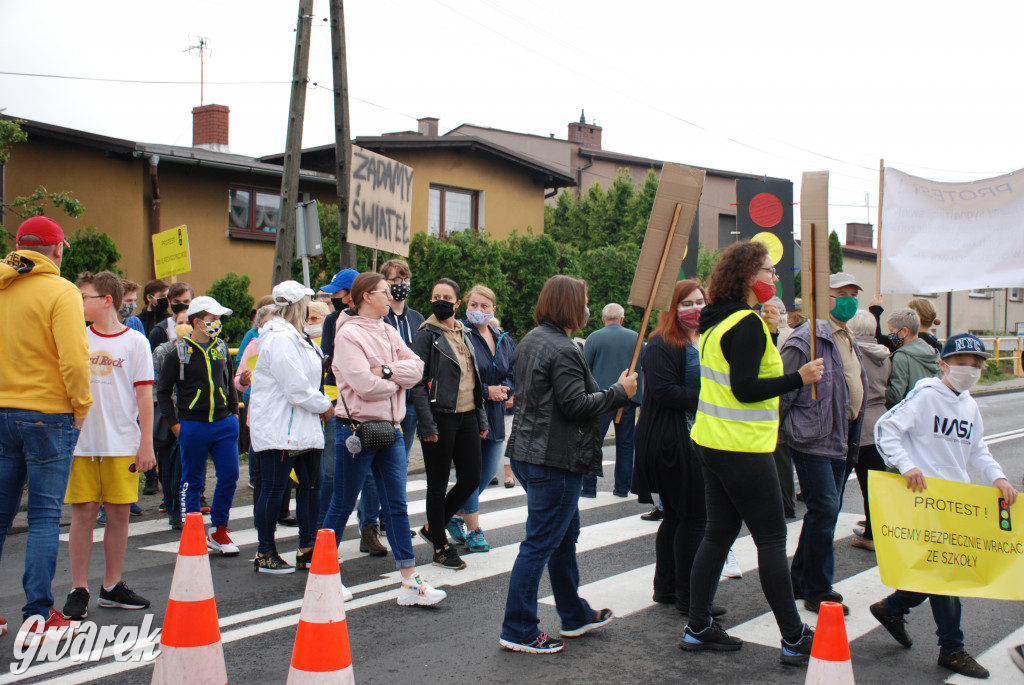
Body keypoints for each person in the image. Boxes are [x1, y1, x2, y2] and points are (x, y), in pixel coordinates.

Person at [683, 240, 822, 665]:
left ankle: (698, 626)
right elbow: (745, 388)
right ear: (748, 276)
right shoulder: (744, 323)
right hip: (742, 447)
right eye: (769, 270)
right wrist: (799, 377)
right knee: (771, 539)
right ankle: (795, 637)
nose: (774, 278)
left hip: (712, 441)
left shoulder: (715, 321)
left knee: (718, 533)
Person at [499, 275, 636, 654]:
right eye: (584, 300)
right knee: (541, 544)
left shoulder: (532, 339)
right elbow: (575, 405)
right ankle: (519, 628)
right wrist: (618, 393)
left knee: (561, 537)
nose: (587, 307)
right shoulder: (561, 347)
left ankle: (574, 614)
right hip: (554, 458)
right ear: (569, 304)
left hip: (530, 453)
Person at [870, 333, 1018, 680]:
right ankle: (951, 647)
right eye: (961, 363)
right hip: (926, 499)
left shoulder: (968, 404)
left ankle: (893, 607)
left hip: (956, 502)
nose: (969, 370)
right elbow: (886, 429)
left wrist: (998, 477)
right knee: (949, 574)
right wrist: (907, 465)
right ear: (943, 364)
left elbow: (977, 448)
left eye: (976, 364)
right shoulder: (925, 397)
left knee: (942, 570)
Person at [320, 272, 445, 606]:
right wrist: (396, 380)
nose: (391, 296)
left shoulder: (389, 330)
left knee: (396, 506)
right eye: (384, 292)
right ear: (365, 296)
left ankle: (409, 581)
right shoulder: (347, 336)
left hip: (391, 429)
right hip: (356, 429)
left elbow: (417, 368)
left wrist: (387, 371)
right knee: (343, 504)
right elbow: (364, 384)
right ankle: (323, 576)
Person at [0, 216, 92, 643]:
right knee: (41, 517)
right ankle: (37, 614)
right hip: (47, 413)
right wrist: (81, 405)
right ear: (56, 251)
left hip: (1, 409)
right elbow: (74, 359)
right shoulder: (61, 291)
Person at [632, 280, 731, 615]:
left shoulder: (701, 339)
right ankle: (689, 596)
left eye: (700, 301)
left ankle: (668, 589)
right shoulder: (661, 342)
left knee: (677, 517)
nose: (695, 309)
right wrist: (713, 399)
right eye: (686, 303)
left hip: (691, 436)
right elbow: (664, 391)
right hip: (671, 441)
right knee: (693, 517)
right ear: (672, 308)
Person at [62, 272, 155, 620]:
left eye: (84, 296)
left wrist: (146, 442)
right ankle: (78, 588)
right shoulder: (76, 338)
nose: (79, 302)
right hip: (81, 443)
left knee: (118, 514)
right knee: (83, 512)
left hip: (122, 443)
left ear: (106, 301)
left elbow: (145, 394)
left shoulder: (134, 342)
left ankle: (112, 585)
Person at [779, 271, 867, 616]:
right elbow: (785, 388)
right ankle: (818, 588)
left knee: (823, 511)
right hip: (813, 436)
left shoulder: (846, 335)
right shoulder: (806, 340)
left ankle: (800, 577)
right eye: (840, 292)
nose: (849, 299)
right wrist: (779, 432)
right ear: (822, 298)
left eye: (852, 292)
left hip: (842, 435)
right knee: (826, 508)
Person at [248, 282, 331, 574]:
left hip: (304, 427)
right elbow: (296, 387)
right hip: (280, 428)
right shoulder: (279, 338)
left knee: (311, 486)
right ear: (298, 306)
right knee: (273, 488)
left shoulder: (298, 337)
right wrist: (325, 405)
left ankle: (307, 548)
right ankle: (265, 552)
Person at [410, 278, 488, 570]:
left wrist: (480, 418)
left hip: (467, 415)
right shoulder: (427, 334)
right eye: (435, 296)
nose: (440, 300)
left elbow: (474, 379)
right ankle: (440, 547)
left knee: (472, 478)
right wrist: (427, 425)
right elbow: (417, 384)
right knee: (437, 483)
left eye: (446, 297)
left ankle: (434, 526)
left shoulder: (464, 332)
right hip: (440, 416)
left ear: (457, 303)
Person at [155, 295, 241, 555]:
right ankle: (191, 533)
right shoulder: (178, 351)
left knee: (230, 476)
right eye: (212, 319)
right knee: (191, 481)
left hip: (224, 423)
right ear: (197, 321)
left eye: (218, 319)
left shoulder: (221, 347)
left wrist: (234, 414)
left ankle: (219, 531)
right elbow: (163, 391)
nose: (217, 324)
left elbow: (228, 381)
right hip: (192, 425)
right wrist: (174, 424)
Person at [447, 284, 515, 553]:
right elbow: (458, 375)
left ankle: (454, 514)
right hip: (469, 413)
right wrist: (488, 391)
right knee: (471, 476)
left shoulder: (503, 338)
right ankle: (474, 530)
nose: (478, 310)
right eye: (474, 305)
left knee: (486, 475)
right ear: (466, 306)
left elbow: (513, 370)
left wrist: (507, 389)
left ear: (493, 309)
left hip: (497, 414)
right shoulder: (460, 334)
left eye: (484, 306)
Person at [582, 303, 642, 499]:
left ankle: (589, 488)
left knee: (593, 443)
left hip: (600, 398)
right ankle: (622, 488)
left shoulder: (594, 338)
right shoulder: (636, 338)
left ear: (603, 319)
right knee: (625, 444)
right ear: (622, 319)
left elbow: (585, 370)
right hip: (628, 397)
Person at [847, 309, 891, 552]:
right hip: (879, 424)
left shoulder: (852, 352)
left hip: (854, 423)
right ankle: (874, 533)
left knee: (834, 489)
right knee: (873, 487)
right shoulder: (885, 354)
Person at [152, 308, 192, 530]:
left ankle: (186, 507)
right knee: (168, 465)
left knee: (185, 465)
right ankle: (173, 508)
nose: (184, 326)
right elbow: (159, 386)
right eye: (181, 322)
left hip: (191, 416)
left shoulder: (199, 350)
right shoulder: (163, 351)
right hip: (170, 416)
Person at [885, 308, 940, 407]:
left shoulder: (902, 356)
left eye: (892, 331)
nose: (890, 336)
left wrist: (880, 388)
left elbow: (895, 395)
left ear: (905, 331)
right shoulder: (932, 351)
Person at [147, 281, 194, 351]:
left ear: (192, 301)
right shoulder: (159, 332)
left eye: (186, 301)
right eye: (176, 301)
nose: (181, 305)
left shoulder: (199, 326)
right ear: (169, 302)